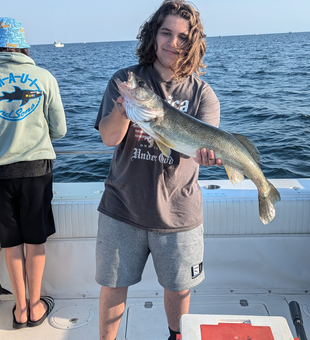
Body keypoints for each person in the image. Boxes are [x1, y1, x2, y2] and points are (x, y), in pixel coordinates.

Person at [95, 1, 222, 339]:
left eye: (183, 37)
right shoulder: (126, 80)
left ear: (192, 43)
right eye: (166, 32)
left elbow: (201, 151)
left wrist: (209, 158)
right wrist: (125, 109)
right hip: (122, 207)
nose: (172, 43)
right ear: (153, 35)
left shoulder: (203, 95)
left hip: (178, 213)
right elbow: (109, 138)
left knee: (179, 290)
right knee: (113, 286)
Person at [0, 18, 66, 329]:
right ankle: (36, 306)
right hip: (37, 169)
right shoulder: (43, 77)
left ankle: (19, 307)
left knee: (10, 242)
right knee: (35, 240)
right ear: (24, 45)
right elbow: (61, 130)